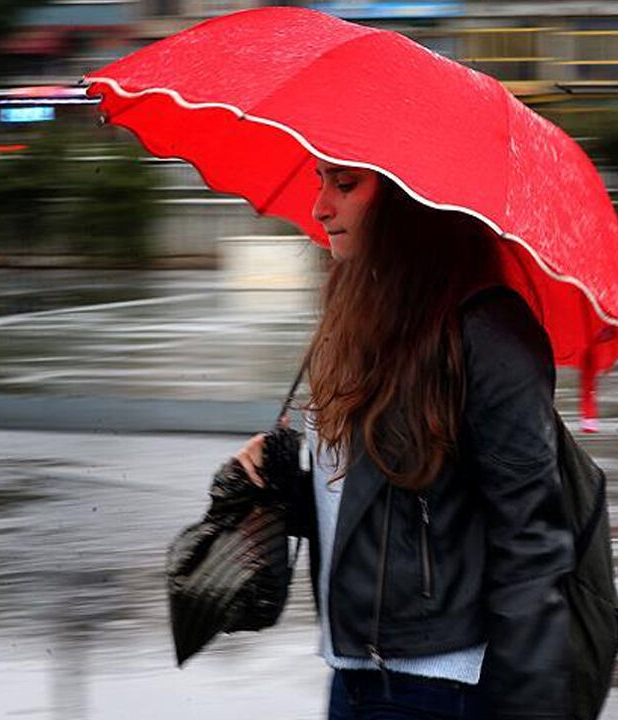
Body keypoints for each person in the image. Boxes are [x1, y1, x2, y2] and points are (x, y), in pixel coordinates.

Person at [234, 159, 574, 720]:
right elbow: (373, 507)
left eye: (345, 185)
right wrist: (282, 488)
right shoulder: (362, 323)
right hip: (354, 675)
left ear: (409, 201)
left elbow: (532, 539)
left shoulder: (486, 333)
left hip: (438, 688)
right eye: (321, 183)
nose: (321, 207)